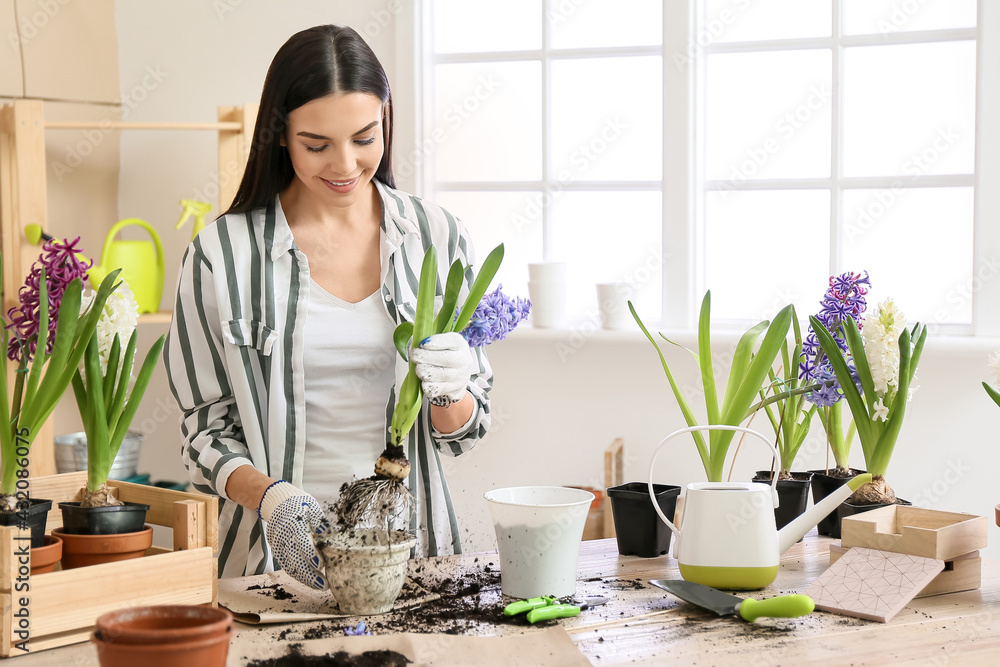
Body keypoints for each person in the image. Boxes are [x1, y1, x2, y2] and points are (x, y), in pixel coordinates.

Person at [164, 25, 493, 590]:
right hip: (272, 566)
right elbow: (204, 432)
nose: (344, 164)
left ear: (386, 121)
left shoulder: (436, 237)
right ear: (281, 136)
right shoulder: (223, 254)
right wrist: (272, 501)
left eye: (365, 138)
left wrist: (453, 389)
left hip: (414, 559)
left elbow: (461, 433)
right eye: (317, 145)